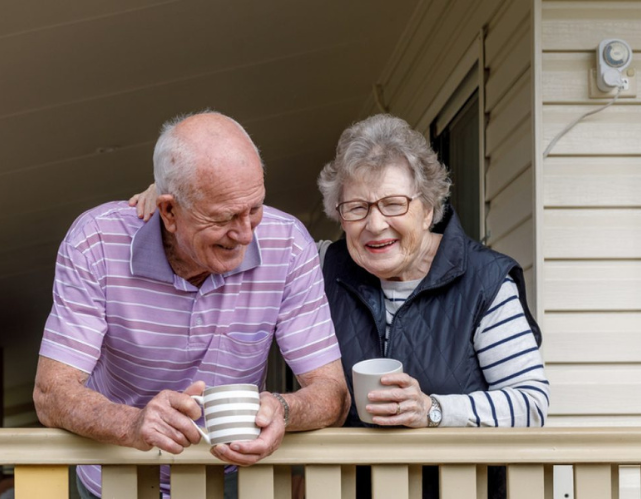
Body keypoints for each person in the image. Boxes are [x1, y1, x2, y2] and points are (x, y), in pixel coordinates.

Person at [130, 114, 549, 498]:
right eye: (357, 208)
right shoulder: (318, 265)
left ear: (428, 208)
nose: (375, 224)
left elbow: (531, 403)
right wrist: (180, 203)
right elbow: (220, 223)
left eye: (393, 204)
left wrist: (434, 410)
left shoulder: (484, 282)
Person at [34, 111, 350, 499]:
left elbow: (333, 395)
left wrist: (283, 411)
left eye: (254, 209)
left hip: (233, 477)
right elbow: (51, 395)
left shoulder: (288, 244)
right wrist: (133, 424)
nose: (246, 234)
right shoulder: (95, 242)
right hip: (116, 477)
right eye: (224, 218)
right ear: (169, 212)